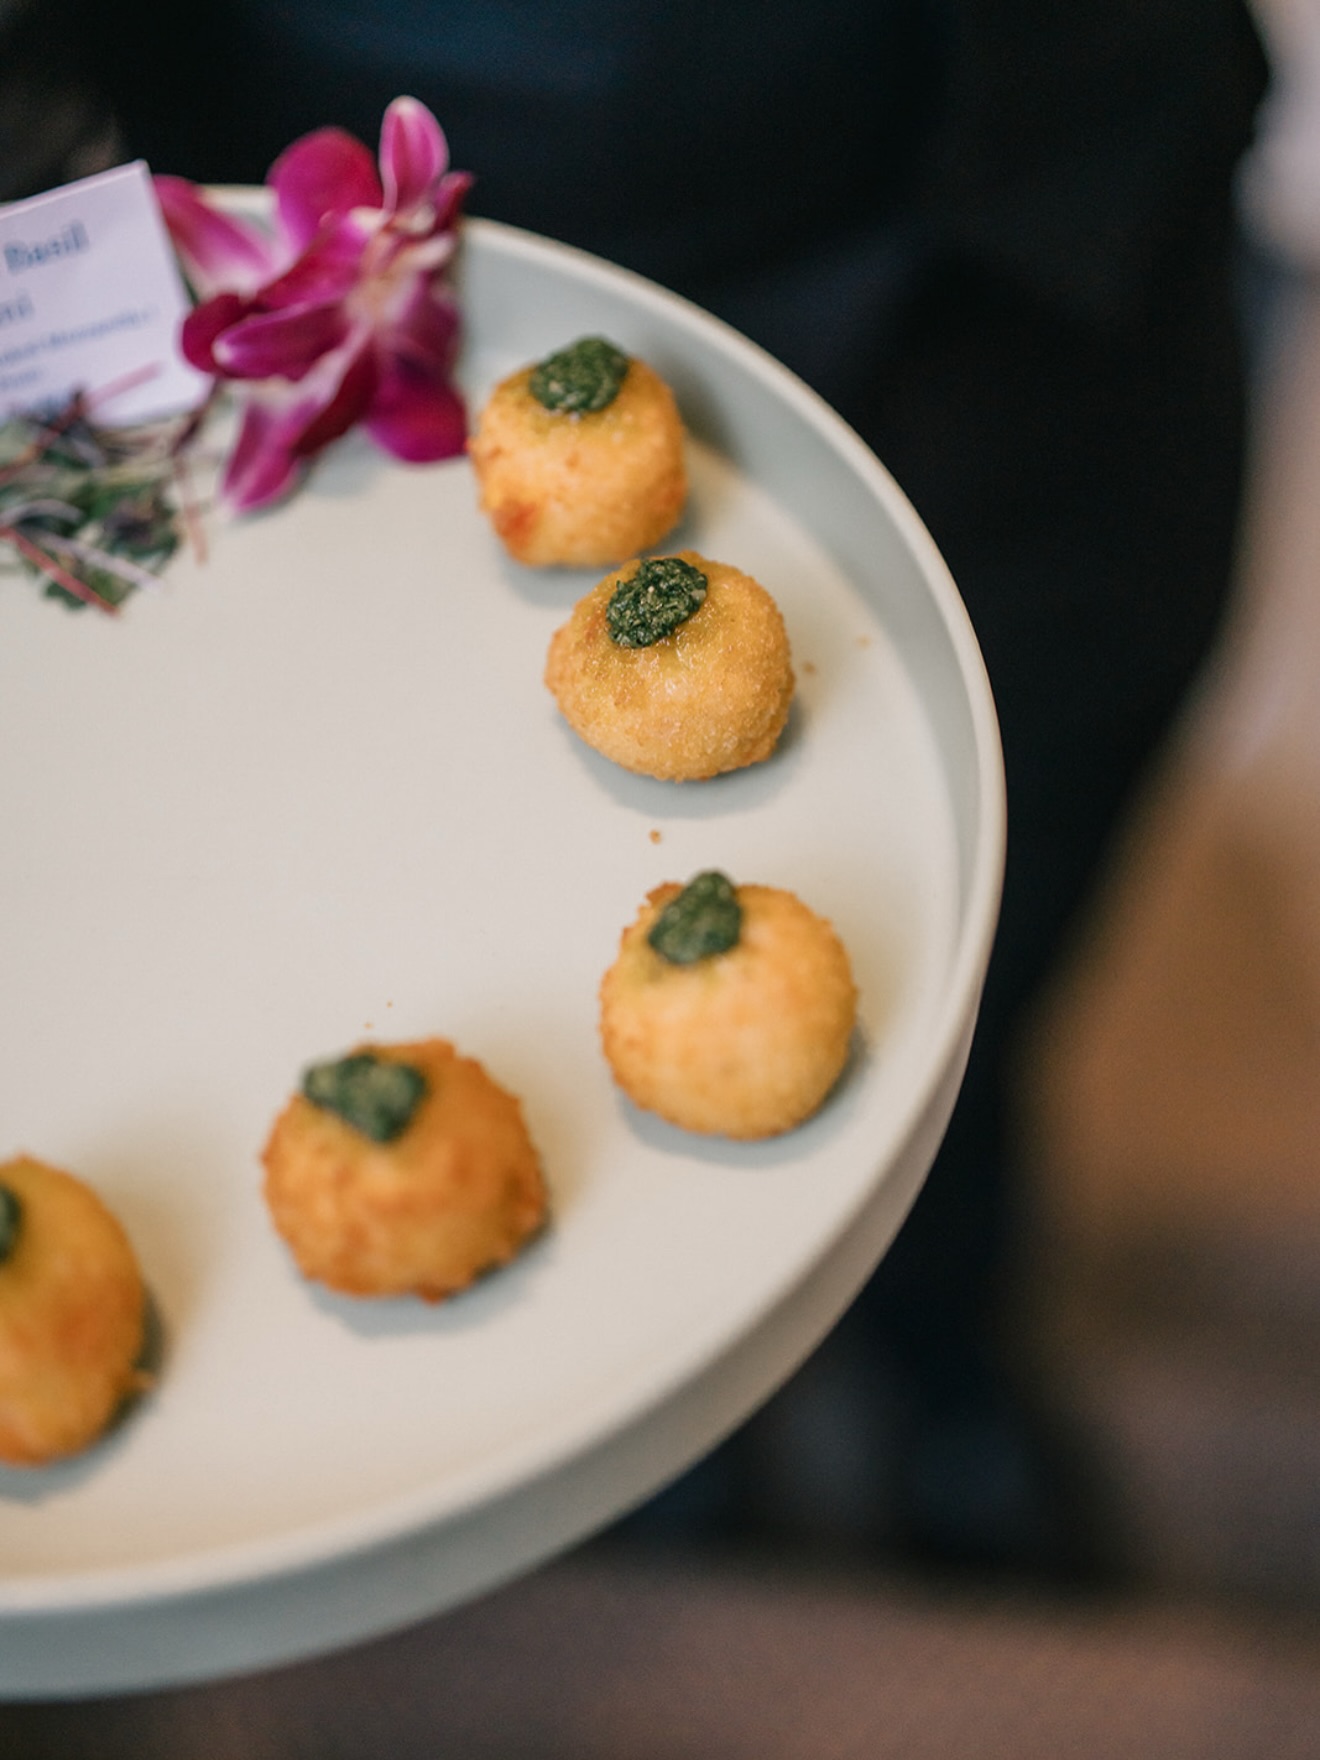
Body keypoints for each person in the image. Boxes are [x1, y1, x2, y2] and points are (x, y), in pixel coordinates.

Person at [82, 0, 1268, 1576]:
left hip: (1077, 212)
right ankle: (669, 1482)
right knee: (480, 931)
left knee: (1005, 916)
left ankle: (946, 1347)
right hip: (503, 232)